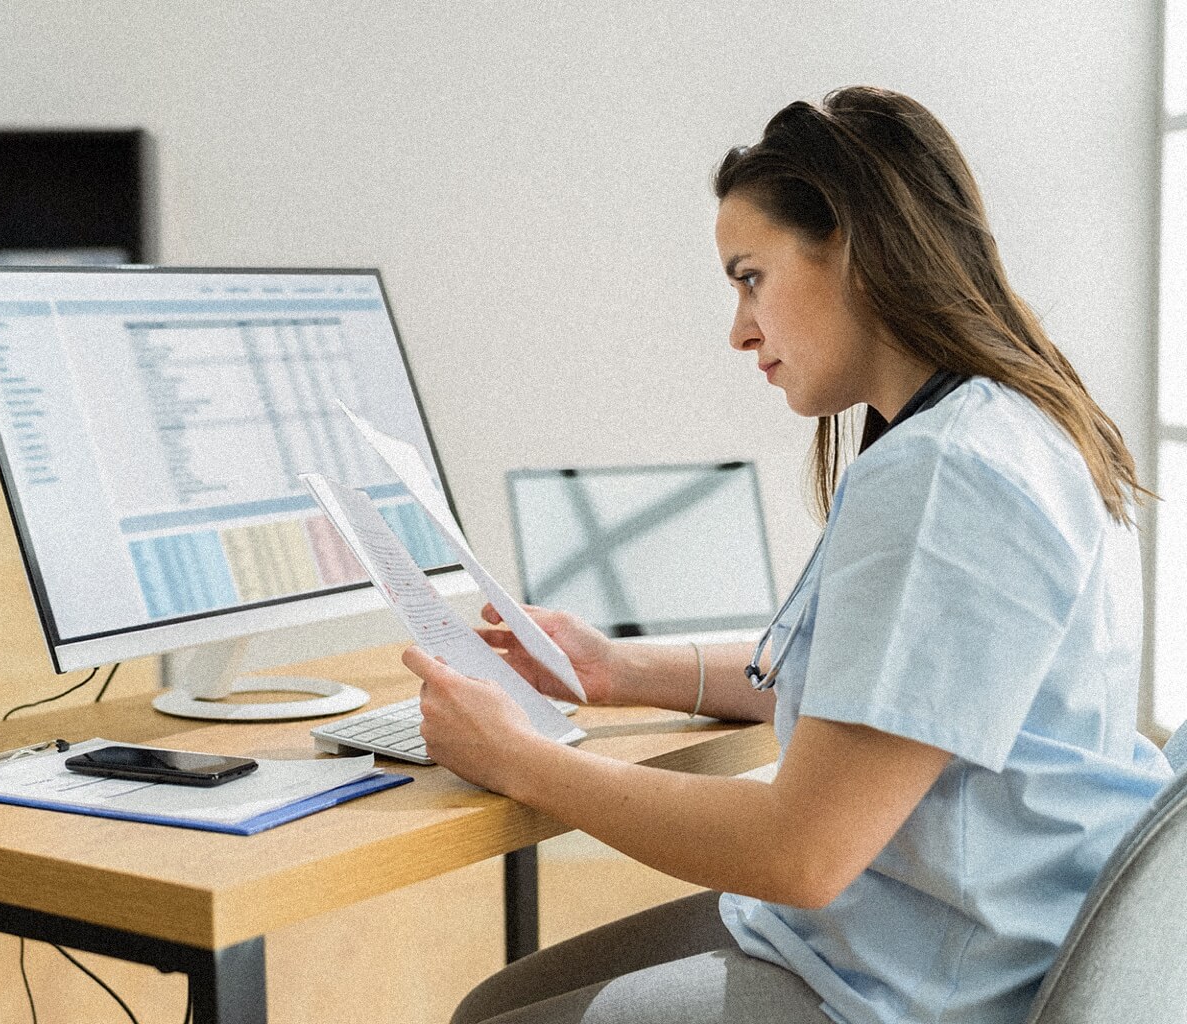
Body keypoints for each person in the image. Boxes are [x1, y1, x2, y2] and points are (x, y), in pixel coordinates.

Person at [402, 85, 1175, 1024]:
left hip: (933, 983)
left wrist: (519, 757)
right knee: (500, 999)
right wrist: (616, 669)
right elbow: (883, 692)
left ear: (851, 248)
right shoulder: (1011, 424)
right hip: (978, 929)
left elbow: (801, 852)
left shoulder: (946, 474)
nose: (739, 328)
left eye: (749, 276)